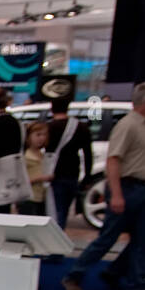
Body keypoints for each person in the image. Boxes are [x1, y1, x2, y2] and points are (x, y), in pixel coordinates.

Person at [62, 81, 145, 290]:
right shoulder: (128, 125)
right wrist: (116, 194)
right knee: (107, 238)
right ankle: (74, 276)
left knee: (141, 240)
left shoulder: (142, 125)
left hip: (141, 189)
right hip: (127, 188)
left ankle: (135, 284)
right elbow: (113, 160)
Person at [44, 95, 93, 231]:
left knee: (52, 211)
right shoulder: (81, 127)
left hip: (50, 174)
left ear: (51, 109)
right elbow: (88, 153)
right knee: (63, 211)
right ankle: (59, 243)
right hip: (72, 173)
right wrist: (87, 176)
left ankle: (52, 246)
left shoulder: (47, 127)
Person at [19, 121, 51, 217]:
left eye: (44, 135)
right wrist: (41, 178)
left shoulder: (43, 155)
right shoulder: (25, 156)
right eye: (38, 135)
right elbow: (21, 180)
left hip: (41, 197)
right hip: (29, 197)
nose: (41, 138)